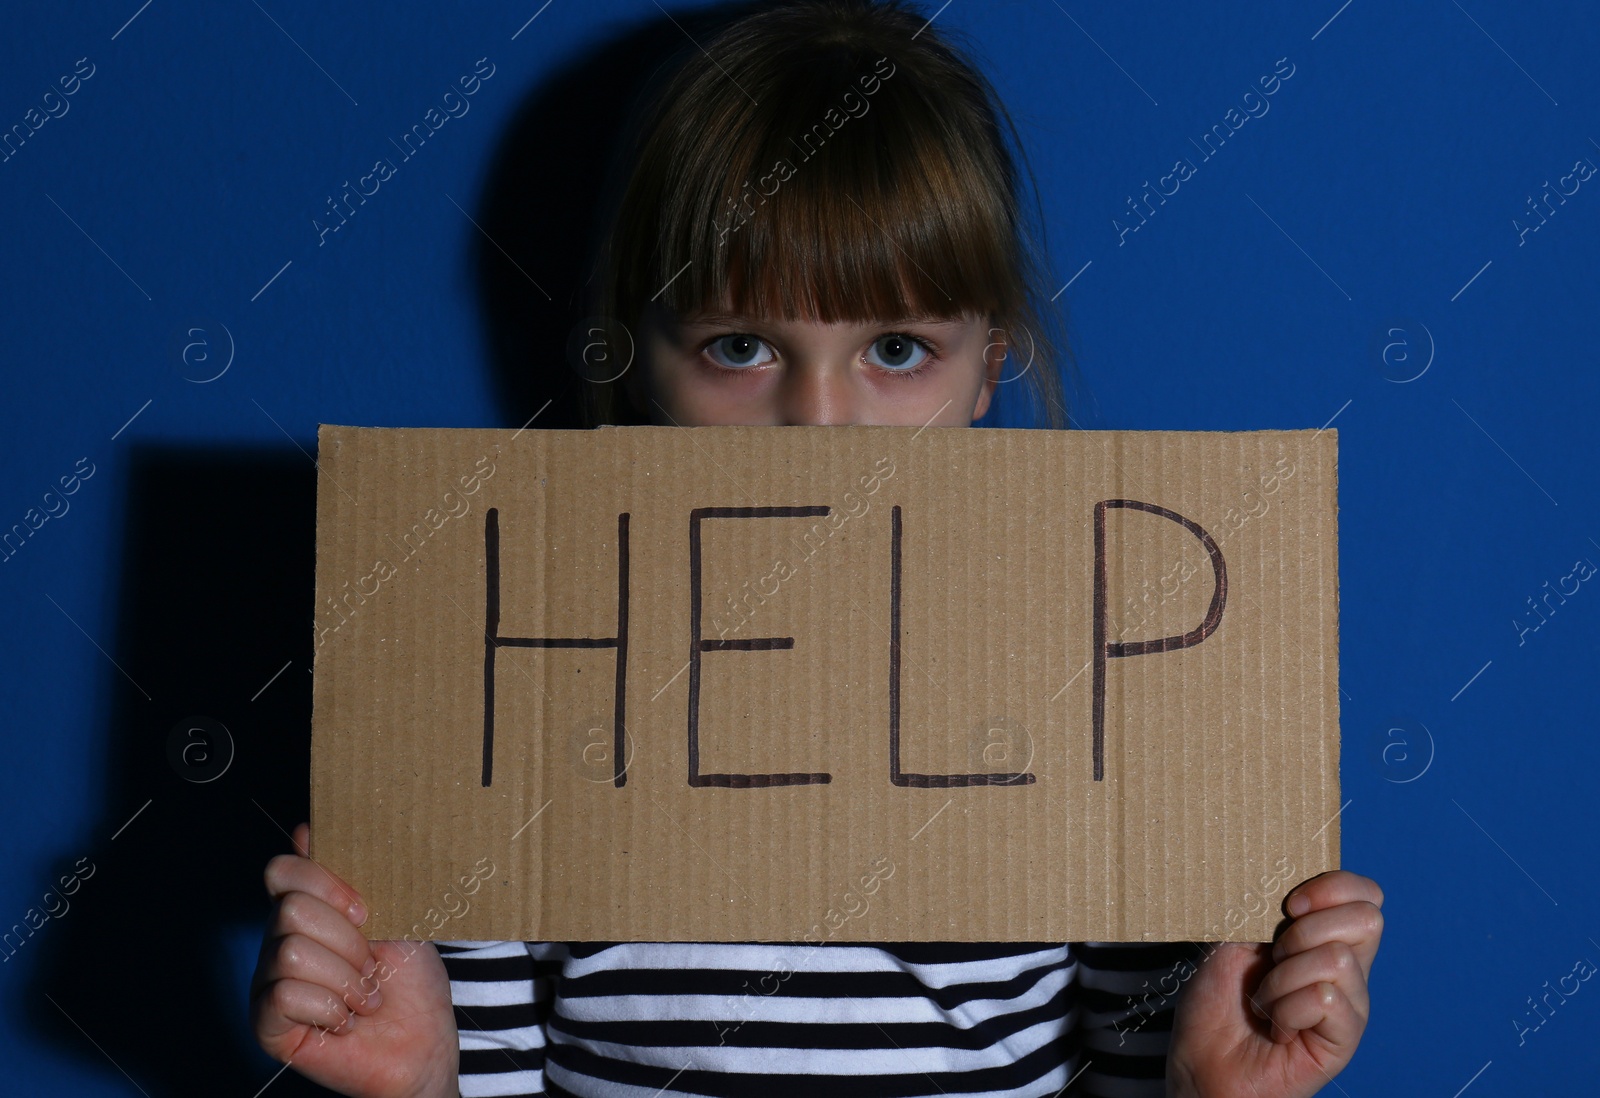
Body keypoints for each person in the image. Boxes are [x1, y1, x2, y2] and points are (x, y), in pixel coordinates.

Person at [250, 2, 1384, 1096]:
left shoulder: (1075, 686)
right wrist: (419, 1083)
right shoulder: (526, 700)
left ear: (989, 366)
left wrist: (1210, 1086)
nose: (821, 421)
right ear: (636, 358)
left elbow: (1131, 1062)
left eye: (896, 348)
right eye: (741, 345)